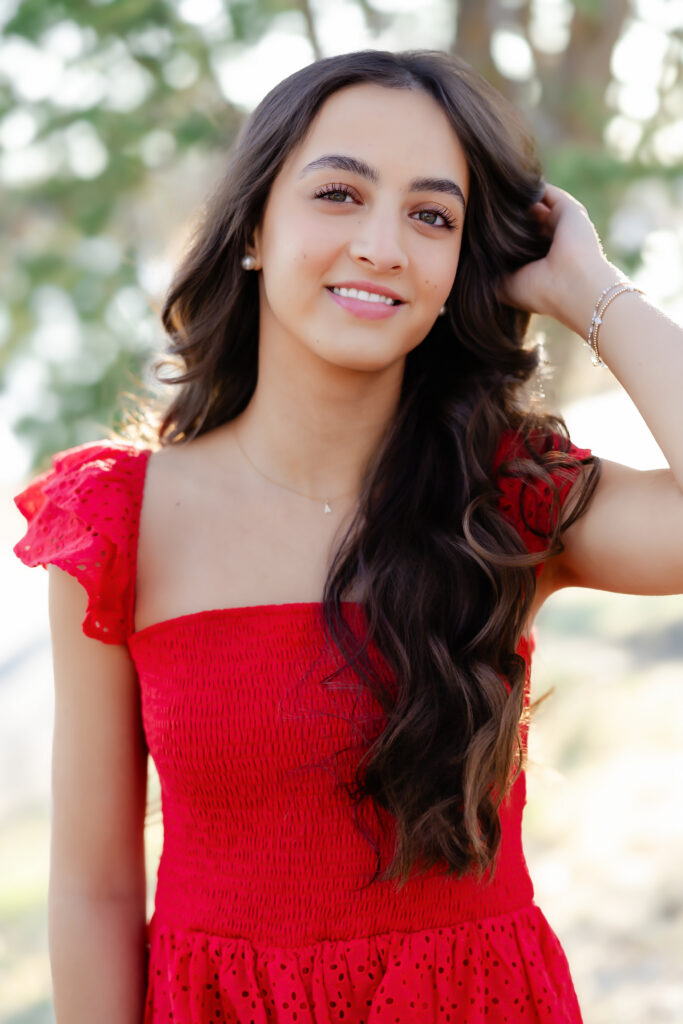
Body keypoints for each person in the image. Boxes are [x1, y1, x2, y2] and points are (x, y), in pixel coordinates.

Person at [12, 49, 682, 1024]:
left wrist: (590, 290)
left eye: (430, 216)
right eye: (338, 194)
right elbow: (94, 892)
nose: (382, 246)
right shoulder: (117, 520)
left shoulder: (504, 494)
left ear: (462, 265)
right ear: (250, 227)